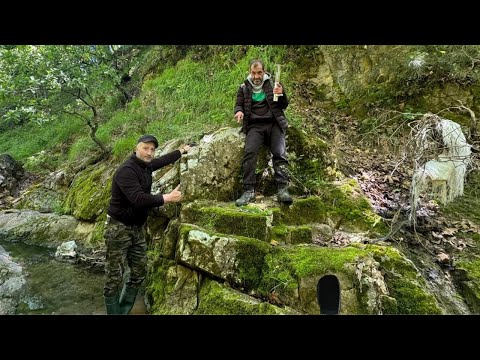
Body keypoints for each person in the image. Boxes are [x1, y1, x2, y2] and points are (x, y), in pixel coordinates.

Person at [103, 134, 190, 315]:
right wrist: (168, 198)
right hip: (118, 228)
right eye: (145, 148)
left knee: (138, 272)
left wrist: (181, 151)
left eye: (152, 149)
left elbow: (162, 161)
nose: (149, 153)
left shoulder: (145, 166)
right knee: (114, 276)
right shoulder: (126, 170)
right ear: (136, 148)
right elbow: (138, 199)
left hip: (137, 228)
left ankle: (124, 310)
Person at [234, 59, 293, 206]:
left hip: (274, 123)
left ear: (264, 72)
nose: (256, 76)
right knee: (250, 153)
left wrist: (281, 94)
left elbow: (283, 105)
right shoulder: (244, 87)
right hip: (255, 126)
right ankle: (248, 191)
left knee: (280, 153)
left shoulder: (273, 84)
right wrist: (239, 112)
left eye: (259, 72)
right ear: (250, 73)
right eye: (253, 73)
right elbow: (238, 104)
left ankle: (282, 189)